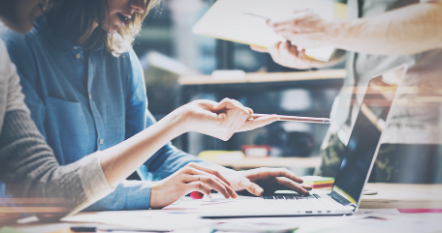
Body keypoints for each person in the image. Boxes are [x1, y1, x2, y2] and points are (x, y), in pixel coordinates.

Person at [1, 0, 312, 212]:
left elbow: (157, 154)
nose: (138, 7)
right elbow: (32, 191)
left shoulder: (120, 58)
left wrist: (231, 179)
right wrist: (152, 194)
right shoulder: (14, 48)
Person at [253, 0, 442, 183]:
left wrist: (328, 31)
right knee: (318, 210)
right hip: (345, 126)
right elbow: (354, 32)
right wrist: (312, 54)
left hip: (410, 133)